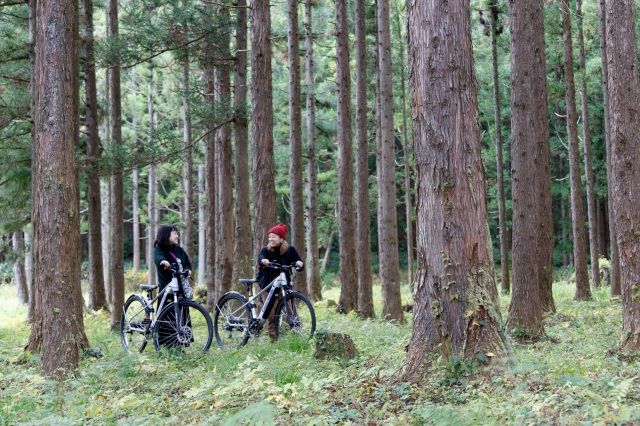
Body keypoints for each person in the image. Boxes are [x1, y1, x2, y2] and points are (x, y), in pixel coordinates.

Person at [256, 223, 304, 340]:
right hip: (268, 284)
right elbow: (261, 257)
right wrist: (264, 261)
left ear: (281, 238)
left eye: (274, 236)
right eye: (270, 237)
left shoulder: (289, 250)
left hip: (284, 285)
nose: (270, 239)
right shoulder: (266, 250)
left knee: (291, 309)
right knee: (271, 314)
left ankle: (297, 334)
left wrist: (299, 263)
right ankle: (274, 340)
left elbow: (298, 261)